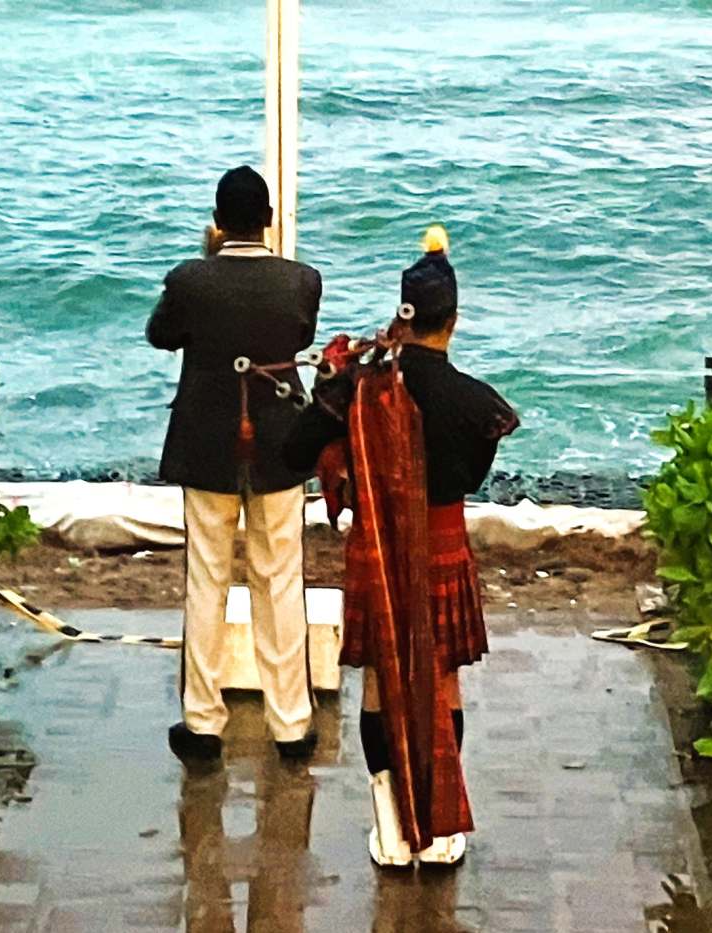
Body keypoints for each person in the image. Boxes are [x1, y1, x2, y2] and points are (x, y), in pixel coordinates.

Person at [283, 226, 519, 866]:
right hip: (442, 542)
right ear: (454, 320)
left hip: (376, 548)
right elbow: (471, 473)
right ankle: (441, 834)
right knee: (441, 683)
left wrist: (333, 405)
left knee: (381, 685)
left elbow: (295, 451)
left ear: (403, 315)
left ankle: (390, 828)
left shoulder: (361, 387)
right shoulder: (475, 403)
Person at [147, 165, 323, 763]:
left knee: (206, 582)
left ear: (218, 223)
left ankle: (202, 723)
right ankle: (291, 724)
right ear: (268, 220)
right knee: (281, 581)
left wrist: (205, 260)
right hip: (279, 444)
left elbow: (160, 335)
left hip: (206, 445)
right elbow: (299, 340)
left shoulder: (190, 279)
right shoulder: (302, 280)